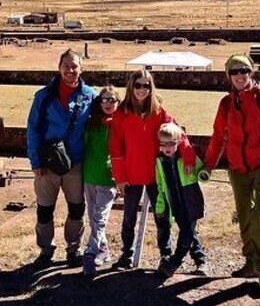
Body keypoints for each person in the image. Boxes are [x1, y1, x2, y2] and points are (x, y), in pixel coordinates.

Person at [205, 54, 260, 286]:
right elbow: (218, 136)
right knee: (244, 216)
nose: (240, 75)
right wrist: (209, 165)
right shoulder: (226, 103)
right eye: (234, 72)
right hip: (238, 170)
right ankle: (250, 263)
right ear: (228, 76)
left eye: (244, 71)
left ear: (250, 73)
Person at [109, 69, 195, 270]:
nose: (141, 89)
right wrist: (120, 177)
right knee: (129, 217)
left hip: (156, 175)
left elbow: (177, 134)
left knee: (161, 216)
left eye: (146, 85)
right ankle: (126, 254)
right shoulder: (121, 114)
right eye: (138, 85)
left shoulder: (158, 111)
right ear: (131, 86)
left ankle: (165, 255)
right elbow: (116, 148)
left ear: (151, 88)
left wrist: (189, 158)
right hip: (131, 174)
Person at [26, 49, 98, 268]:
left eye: (74, 66)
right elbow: (33, 129)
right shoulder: (44, 96)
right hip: (47, 164)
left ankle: (73, 249)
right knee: (45, 208)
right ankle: (46, 250)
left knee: (76, 208)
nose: (70, 70)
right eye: (66, 66)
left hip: (75, 162)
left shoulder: (90, 96)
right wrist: (35, 162)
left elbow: (107, 121)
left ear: (81, 69)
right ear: (59, 67)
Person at [154, 123, 208, 278]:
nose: (167, 147)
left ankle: (175, 262)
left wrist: (203, 173)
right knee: (189, 233)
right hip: (175, 204)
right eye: (163, 144)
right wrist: (160, 206)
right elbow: (160, 186)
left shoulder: (187, 159)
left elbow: (201, 172)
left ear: (178, 142)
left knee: (186, 232)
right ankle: (201, 260)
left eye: (171, 143)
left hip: (191, 202)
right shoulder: (159, 162)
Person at [81, 85, 120, 277]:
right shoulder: (90, 123)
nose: (108, 103)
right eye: (105, 99)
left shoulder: (121, 125)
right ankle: (104, 250)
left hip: (108, 178)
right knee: (93, 217)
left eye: (112, 100)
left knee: (99, 218)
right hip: (89, 175)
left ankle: (90, 252)